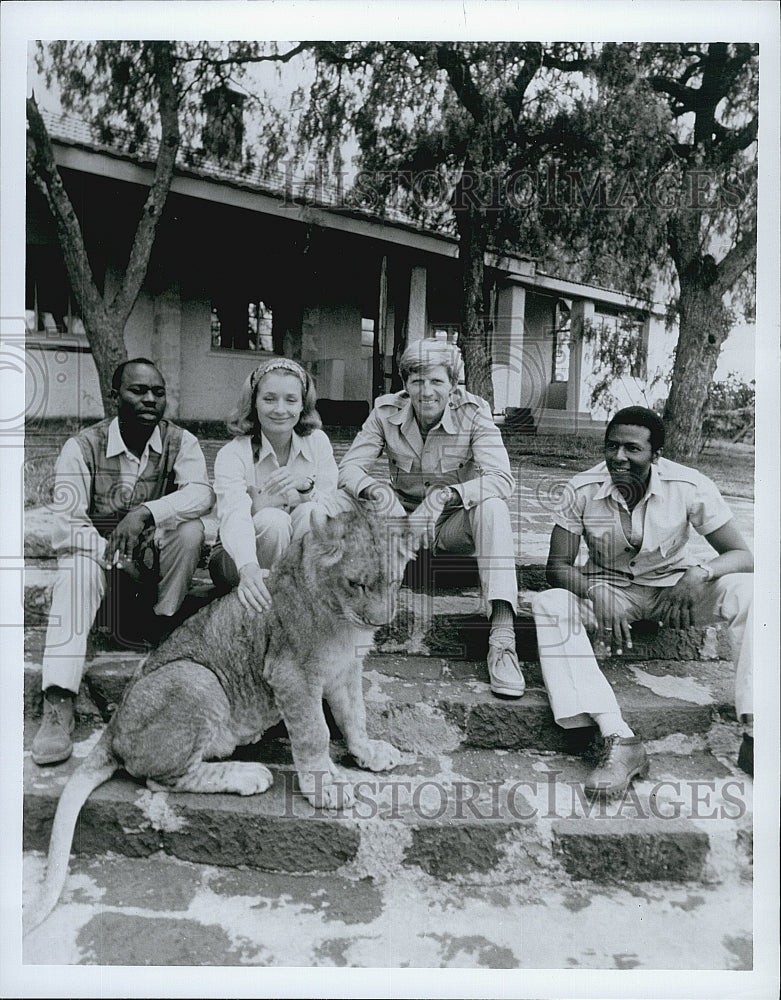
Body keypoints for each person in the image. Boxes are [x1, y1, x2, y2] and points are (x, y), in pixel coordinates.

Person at [531, 405, 754, 795]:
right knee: (549, 603)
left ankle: (757, 730)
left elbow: (742, 555)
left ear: (656, 455)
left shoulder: (689, 486)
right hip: (610, 596)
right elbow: (557, 566)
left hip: (675, 596)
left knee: (751, 593)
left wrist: (701, 573)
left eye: (632, 449)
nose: (619, 457)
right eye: (612, 446)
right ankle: (618, 737)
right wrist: (595, 590)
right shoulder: (582, 489)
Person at [32, 358, 215, 766]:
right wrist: (113, 556)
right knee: (76, 570)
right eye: (138, 390)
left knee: (190, 531)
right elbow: (66, 528)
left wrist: (145, 512)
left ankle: (163, 624)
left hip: (154, 577)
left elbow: (202, 494)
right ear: (114, 396)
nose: (150, 399)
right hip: (103, 577)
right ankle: (59, 700)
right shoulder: (81, 448)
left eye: (158, 391)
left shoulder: (180, 442)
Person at [338, 339, 524, 698]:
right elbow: (348, 469)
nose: (426, 392)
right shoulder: (384, 412)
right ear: (405, 384)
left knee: (494, 507)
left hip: (452, 527)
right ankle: (336, 620)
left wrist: (444, 496)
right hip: (401, 527)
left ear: (453, 384)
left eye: (437, 382)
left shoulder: (475, 412)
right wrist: (380, 493)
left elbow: (502, 479)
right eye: (417, 381)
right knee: (339, 500)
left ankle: (502, 638)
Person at [209, 357, 338, 615]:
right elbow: (234, 517)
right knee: (273, 520)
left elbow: (332, 509)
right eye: (269, 399)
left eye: (291, 400)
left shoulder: (318, 442)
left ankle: (302, 600)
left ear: (303, 404)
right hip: (239, 561)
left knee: (311, 512)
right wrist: (248, 567)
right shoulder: (233, 453)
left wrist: (305, 487)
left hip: (296, 560)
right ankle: (268, 604)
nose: (280, 409)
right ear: (254, 402)